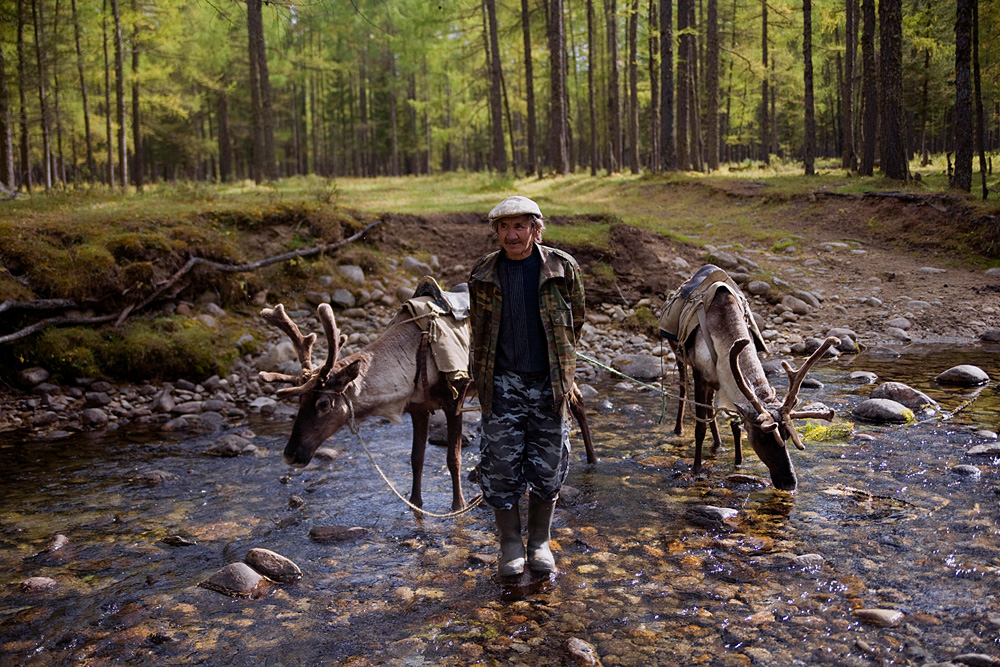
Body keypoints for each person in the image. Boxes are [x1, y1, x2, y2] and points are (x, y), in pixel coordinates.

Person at [469, 195, 586, 576]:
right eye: (504, 227)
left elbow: (577, 320)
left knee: (548, 466)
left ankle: (539, 541)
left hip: (549, 385)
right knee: (500, 465)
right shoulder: (483, 273)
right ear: (496, 232)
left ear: (536, 229)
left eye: (520, 226)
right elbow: (479, 330)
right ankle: (509, 544)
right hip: (501, 384)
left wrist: (563, 369)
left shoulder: (562, 268)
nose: (512, 234)